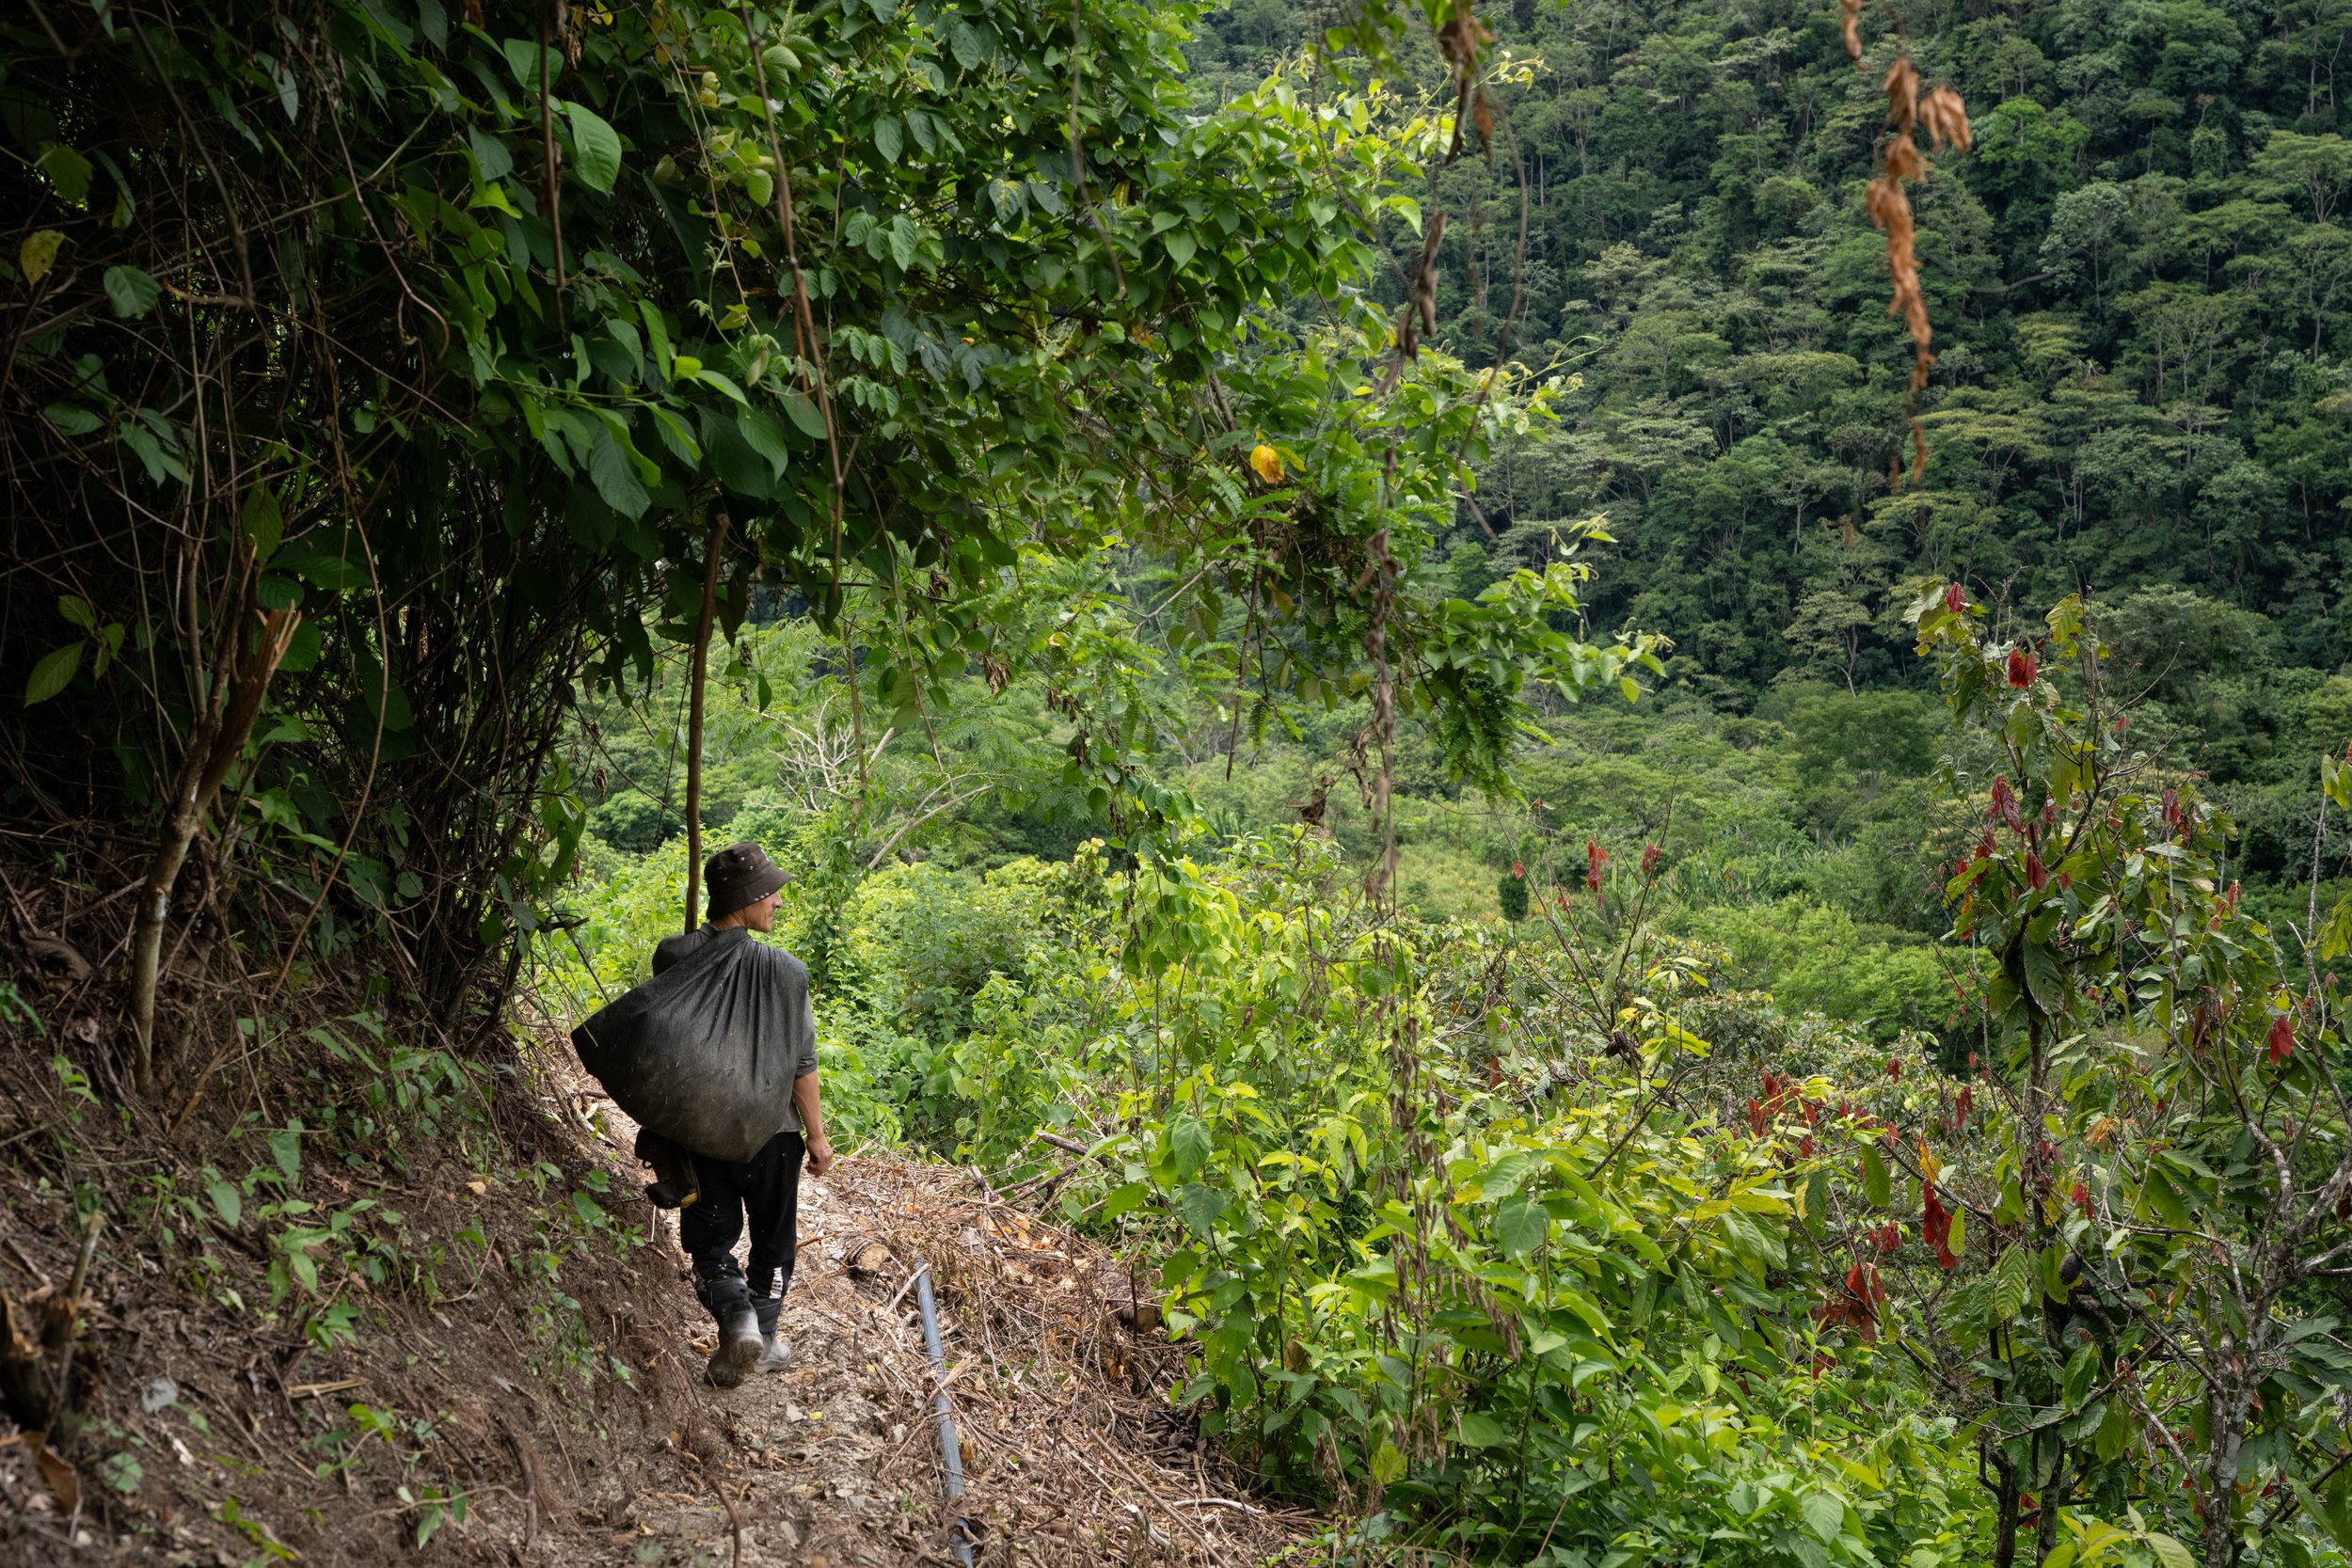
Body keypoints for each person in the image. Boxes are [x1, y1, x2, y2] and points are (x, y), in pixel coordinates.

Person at [644, 841, 834, 1387]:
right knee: (774, 1239)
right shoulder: (787, 971)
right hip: (771, 1134)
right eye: (769, 893)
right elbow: (802, 1066)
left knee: (709, 1243)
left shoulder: (672, 955)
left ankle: (736, 1320)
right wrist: (817, 1139)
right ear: (746, 898)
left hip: (700, 1133)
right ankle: (766, 1338)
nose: (776, 901)